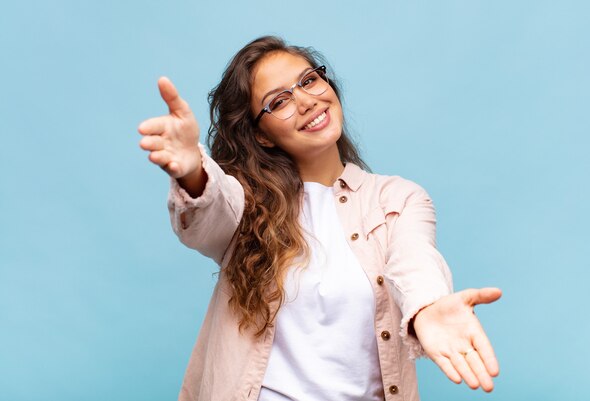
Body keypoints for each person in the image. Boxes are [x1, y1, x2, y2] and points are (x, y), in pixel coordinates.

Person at [137, 36, 502, 401]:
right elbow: (211, 208)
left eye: (309, 80)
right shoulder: (246, 203)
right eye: (279, 101)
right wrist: (192, 171)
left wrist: (428, 306)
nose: (307, 101)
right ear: (262, 136)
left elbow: (415, 259)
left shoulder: (398, 198)